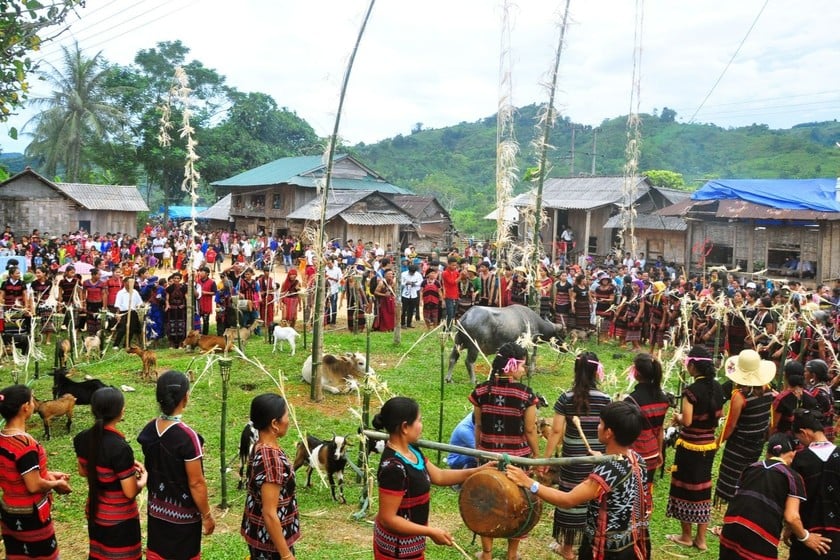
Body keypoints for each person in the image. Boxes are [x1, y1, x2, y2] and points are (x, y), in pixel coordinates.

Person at [507, 401, 650, 560]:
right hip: (631, 542)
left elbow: (567, 500)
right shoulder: (637, 459)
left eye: (600, 424)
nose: (598, 427)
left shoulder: (606, 473)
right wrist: (602, 459)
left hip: (607, 552)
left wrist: (529, 483)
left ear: (609, 433)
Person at [373, 396, 489, 559]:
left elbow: (440, 476)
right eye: (419, 421)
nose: (422, 425)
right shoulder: (393, 468)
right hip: (395, 549)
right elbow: (388, 519)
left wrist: (478, 471)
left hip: (411, 544)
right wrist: (430, 531)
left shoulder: (411, 451)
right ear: (405, 427)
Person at [469, 342, 541, 560]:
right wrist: (537, 455)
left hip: (488, 458)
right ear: (511, 366)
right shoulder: (526, 395)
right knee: (518, 504)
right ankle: (512, 554)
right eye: (522, 365)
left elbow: (479, 426)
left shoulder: (481, 391)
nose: (524, 370)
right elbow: (529, 429)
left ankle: (487, 554)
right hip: (516, 461)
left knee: (486, 502)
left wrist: (478, 449)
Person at [138, 371, 215, 560]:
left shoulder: (149, 430)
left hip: (157, 512)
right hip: (184, 519)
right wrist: (207, 514)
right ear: (185, 397)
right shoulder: (188, 438)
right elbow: (196, 483)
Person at [543, 352, 612, 559]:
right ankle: (590, 544)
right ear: (596, 371)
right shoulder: (606, 399)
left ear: (576, 370)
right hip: (597, 458)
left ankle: (567, 548)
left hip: (572, 458)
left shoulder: (566, 397)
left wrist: (546, 460)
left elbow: (555, 431)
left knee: (570, 499)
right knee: (593, 499)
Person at [718, 432, 830, 559]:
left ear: (768, 452)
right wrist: (806, 537)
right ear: (792, 454)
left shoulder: (751, 468)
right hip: (759, 534)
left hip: (731, 528)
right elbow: (791, 517)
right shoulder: (792, 477)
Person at [73, 387, 147, 560]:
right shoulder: (119, 447)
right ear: (120, 411)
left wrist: (124, 468)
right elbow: (129, 491)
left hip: (95, 512)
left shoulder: (82, 438)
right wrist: (143, 479)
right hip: (119, 519)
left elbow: (83, 471)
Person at [0, 384, 72, 560]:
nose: (34, 403)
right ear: (25, 407)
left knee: (18, 555)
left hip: (9, 511)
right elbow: (33, 485)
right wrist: (56, 484)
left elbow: (17, 472)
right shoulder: (25, 445)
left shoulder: (3, 439)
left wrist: (48, 474)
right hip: (30, 516)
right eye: (32, 399)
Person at [666, 345, 724, 552]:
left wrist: (677, 418)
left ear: (693, 365)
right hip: (708, 446)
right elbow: (718, 415)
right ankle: (701, 539)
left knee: (685, 488)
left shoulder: (691, 391)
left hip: (690, 446)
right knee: (703, 489)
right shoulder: (718, 387)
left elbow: (688, 421)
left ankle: (686, 536)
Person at [241, 394, 300, 560]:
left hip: (260, 535)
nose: (289, 420)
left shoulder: (259, 446)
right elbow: (269, 512)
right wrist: (286, 555)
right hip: (270, 545)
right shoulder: (271, 461)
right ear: (274, 423)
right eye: (287, 415)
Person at [714, 349, 776, 507]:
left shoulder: (739, 397)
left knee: (732, 480)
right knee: (746, 478)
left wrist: (716, 444)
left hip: (739, 446)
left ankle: (731, 514)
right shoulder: (768, 389)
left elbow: (730, 426)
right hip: (756, 443)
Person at [791, 408, 840, 559]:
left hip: (807, 533)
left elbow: (793, 501)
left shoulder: (799, 459)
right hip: (837, 537)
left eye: (799, 438)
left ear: (804, 433)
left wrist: (792, 530)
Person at [624, 353, 670, 489]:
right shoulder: (663, 399)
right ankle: (646, 510)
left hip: (635, 454)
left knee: (633, 491)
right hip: (653, 452)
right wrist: (660, 452)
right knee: (646, 489)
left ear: (637, 373)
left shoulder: (631, 401)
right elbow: (660, 429)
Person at [164, 271, 189, 348]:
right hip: (172, 310)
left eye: (178, 278)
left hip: (181, 310)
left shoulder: (184, 288)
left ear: (180, 279)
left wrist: (186, 305)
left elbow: (186, 297)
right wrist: (167, 305)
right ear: (173, 279)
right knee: (172, 326)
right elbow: (167, 299)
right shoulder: (169, 288)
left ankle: (181, 343)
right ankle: (172, 343)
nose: (176, 280)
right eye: (175, 278)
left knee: (181, 325)